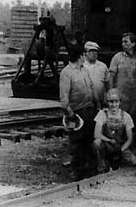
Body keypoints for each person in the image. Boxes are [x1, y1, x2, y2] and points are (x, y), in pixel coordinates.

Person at [59, 44, 98, 181]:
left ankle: (89, 169)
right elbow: (64, 98)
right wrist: (71, 115)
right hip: (76, 113)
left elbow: (91, 89)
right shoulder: (66, 72)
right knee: (76, 143)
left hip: (89, 110)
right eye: (83, 54)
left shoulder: (85, 70)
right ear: (79, 56)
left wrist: (97, 105)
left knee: (89, 140)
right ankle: (76, 171)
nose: (85, 57)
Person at [92, 88, 136, 174]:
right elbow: (96, 134)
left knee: (133, 162)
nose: (114, 105)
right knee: (97, 143)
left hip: (120, 146)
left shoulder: (126, 116)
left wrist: (122, 149)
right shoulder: (102, 114)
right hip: (107, 145)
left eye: (116, 102)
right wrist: (109, 140)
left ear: (120, 102)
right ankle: (101, 169)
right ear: (107, 102)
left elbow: (130, 138)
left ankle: (117, 164)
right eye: (111, 102)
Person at [109, 33, 136, 124]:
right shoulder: (117, 57)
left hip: (135, 98)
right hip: (121, 98)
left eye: (126, 42)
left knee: (132, 123)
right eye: (122, 42)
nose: (123, 44)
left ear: (133, 44)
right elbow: (111, 77)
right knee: (119, 124)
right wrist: (111, 94)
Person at [84, 41, 109, 107]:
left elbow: (107, 84)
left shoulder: (103, 66)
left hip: (101, 101)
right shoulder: (81, 66)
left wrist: (107, 97)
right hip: (85, 102)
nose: (94, 53)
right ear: (86, 52)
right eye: (91, 51)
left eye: (96, 51)